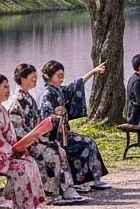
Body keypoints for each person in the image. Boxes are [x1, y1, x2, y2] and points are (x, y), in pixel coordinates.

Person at [7, 63, 86, 203]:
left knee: (58, 149)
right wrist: (33, 137)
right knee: (51, 153)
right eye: (32, 77)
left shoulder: (27, 97)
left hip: (34, 138)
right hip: (24, 143)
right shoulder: (17, 100)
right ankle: (51, 194)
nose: (35, 80)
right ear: (22, 78)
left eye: (35, 77)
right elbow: (17, 128)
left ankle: (65, 188)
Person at [0, 74, 49, 209]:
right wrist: (12, 151)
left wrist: (19, 148)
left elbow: (8, 136)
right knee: (21, 167)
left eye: (8, 87)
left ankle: (29, 206)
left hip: (3, 154)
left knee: (30, 162)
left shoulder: (0, 109)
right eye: (4, 87)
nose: (8, 90)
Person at [39, 60, 111, 189]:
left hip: (64, 134)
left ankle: (93, 179)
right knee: (87, 143)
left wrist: (93, 72)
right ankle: (85, 180)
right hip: (54, 137)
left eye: (62, 75)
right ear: (49, 76)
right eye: (58, 76)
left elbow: (76, 85)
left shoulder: (59, 90)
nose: (61, 78)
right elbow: (45, 120)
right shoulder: (47, 95)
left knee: (89, 142)